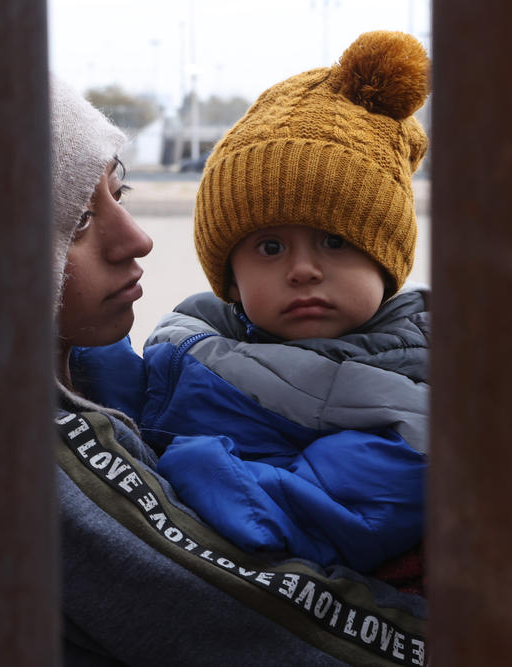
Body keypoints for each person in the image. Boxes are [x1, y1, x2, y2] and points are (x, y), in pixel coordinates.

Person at [50, 77, 428, 666]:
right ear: (229, 277)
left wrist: (201, 467)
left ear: (386, 256)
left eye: (335, 240)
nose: (303, 270)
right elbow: (140, 401)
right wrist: (88, 358)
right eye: (269, 248)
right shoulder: (201, 337)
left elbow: (326, 509)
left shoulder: (410, 389)